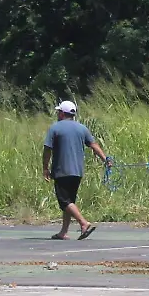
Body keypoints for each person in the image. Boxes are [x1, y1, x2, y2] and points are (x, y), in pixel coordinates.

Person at [43, 100, 109, 240]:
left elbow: (47, 149)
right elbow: (94, 145)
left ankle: (83, 223)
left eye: (58, 111)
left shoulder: (55, 128)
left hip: (62, 171)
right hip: (77, 172)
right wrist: (106, 159)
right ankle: (64, 232)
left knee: (64, 201)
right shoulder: (82, 128)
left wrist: (45, 168)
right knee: (70, 201)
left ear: (61, 113)